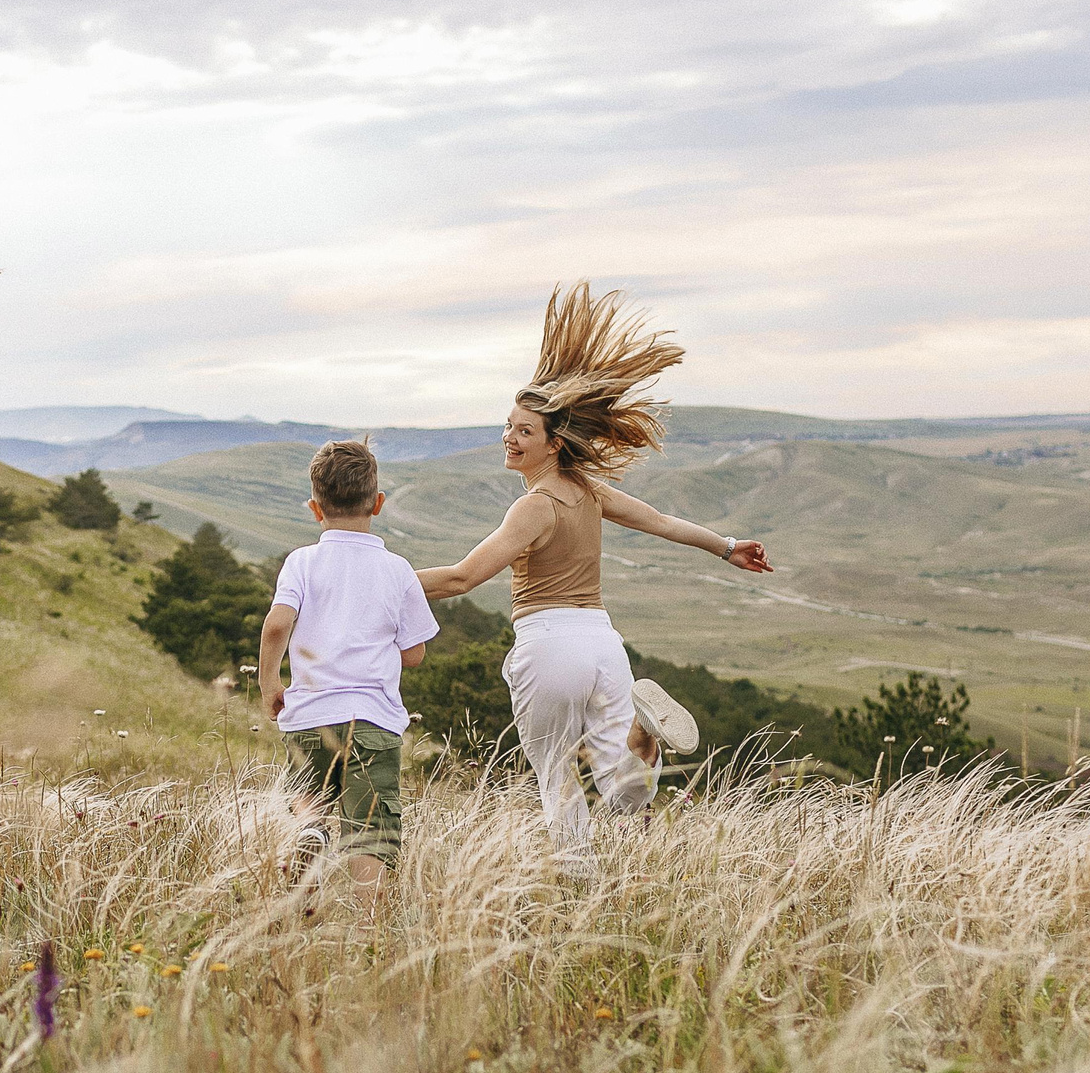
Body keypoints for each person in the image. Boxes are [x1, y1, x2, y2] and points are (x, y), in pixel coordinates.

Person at [417, 282, 772, 862]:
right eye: (508, 425)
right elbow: (660, 521)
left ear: (555, 444)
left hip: (548, 642)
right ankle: (640, 739)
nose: (510, 437)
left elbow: (461, 579)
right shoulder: (589, 490)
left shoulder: (534, 506)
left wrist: (378, 580)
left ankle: (575, 879)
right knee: (621, 786)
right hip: (603, 644)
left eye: (525, 431)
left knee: (556, 775)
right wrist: (726, 546)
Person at [257, 441, 439, 887]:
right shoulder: (398, 569)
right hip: (372, 722)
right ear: (378, 503)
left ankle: (310, 831)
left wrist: (269, 683)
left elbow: (277, 623)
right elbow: (415, 654)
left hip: (310, 717)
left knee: (306, 799)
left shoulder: (301, 562)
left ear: (315, 508)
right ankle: (367, 920)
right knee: (370, 833)